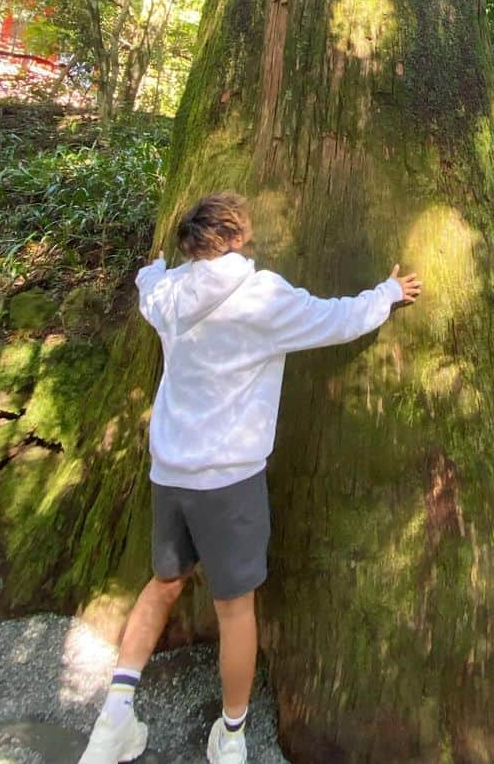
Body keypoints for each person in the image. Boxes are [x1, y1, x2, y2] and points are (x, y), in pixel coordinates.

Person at [79, 191, 421, 764]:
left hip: (171, 473)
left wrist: (155, 268)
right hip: (229, 480)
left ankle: (114, 718)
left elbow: (147, 285)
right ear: (236, 237)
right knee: (235, 609)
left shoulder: (169, 293)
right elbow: (335, 320)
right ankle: (232, 737)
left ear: (193, 242)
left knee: (163, 584)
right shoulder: (261, 296)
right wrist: (388, 293)